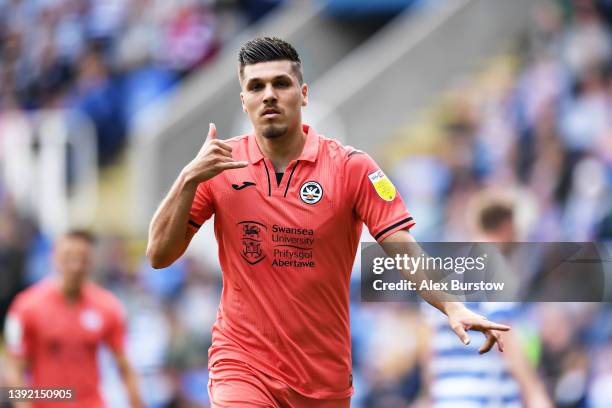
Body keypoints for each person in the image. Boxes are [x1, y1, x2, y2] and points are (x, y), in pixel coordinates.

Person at [146, 36, 510, 407]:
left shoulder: (351, 168)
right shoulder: (219, 168)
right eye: (256, 86)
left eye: (280, 83)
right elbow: (158, 255)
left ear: (303, 94)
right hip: (242, 363)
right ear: (245, 101)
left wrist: (451, 304)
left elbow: (403, 249)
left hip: (322, 379)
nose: (268, 94)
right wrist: (187, 178)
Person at [420, 195, 552, 407]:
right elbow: (504, 334)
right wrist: (535, 393)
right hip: (486, 399)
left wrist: (430, 395)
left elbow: (429, 344)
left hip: (447, 398)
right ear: (508, 226)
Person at [3, 230, 143, 408]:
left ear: (91, 262)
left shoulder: (107, 306)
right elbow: (14, 370)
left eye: (82, 259)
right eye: (68, 257)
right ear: (53, 258)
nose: (75, 265)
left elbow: (125, 367)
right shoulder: (26, 307)